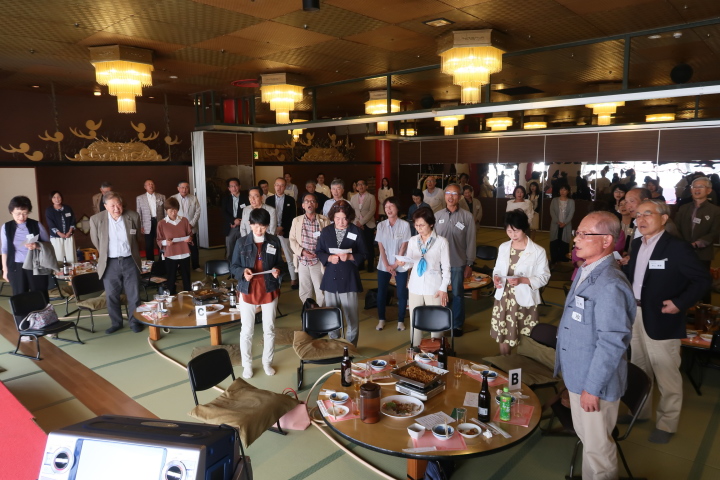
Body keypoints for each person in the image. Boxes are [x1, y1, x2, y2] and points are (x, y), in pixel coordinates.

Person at [555, 211, 635, 480]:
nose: (576, 239)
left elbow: (612, 343)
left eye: (584, 234)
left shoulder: (610, 283)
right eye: (577, 232)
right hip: (579, 375)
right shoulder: (587, 269)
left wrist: (592, 388)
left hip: (594, 384)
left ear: (606, 240)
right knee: (589, 443)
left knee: (598, 451)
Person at [624, 200, 711, 444]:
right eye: (638, 215)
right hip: (636, 314)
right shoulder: (637, 243)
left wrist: (680, 303)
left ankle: (666, 423)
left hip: (663, 317)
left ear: (663, 218)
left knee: (666, 372)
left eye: (647, 214)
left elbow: (702, 280)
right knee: (639, 367)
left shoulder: (677, 248)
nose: (641, 219)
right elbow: (640, 278)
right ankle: (639, 412)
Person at [230, 208, 282, 379]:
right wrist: (243, 272)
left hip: (269, 288)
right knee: (247, 331)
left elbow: (280, 263)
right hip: (248, 289)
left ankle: (267, 362)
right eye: (256, 226)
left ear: (268, 226)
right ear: (250, 224)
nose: (259, 230)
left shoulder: (274, 241)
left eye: (263, 227)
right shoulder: (241, 242)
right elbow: (233, 267)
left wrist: (277, 270)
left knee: (269, 329)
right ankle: (247, 365)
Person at [491, 210, 550, 355]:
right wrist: (496, 278)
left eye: (516, 231)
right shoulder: (504, 247)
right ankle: (504, 362)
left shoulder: (538, 251)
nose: (513, 235)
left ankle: (520, 364)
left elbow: (544, 277)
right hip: (504, 298)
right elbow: (497, 269)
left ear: (524, 228)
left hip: (524, 299)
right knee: (503, 334)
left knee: (525, 335)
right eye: (509, 231)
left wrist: (522, 280)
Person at [89, 192, 144, 334]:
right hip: (110, 263)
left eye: (118, 204)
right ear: (105, 206)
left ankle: (135, 322)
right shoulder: (96, 220)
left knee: (134, 294)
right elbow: (96, 241)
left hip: (130, 260)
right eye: (112, 205)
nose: (116, 208)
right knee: (111, 295)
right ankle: (116, 323)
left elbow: (137, 237)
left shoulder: (133, 216)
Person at [315, 200, 367, 346]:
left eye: (344, 219)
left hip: (349, 279)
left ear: (349, 217)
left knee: (352, 316)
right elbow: (319, 251)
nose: (341, 222)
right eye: (337, 218)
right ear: (333, 217)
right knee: (332, 315)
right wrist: (329, 258)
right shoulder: (326, 231)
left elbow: (364, 253)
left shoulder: (355, 231)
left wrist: (350, 256)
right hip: (331, 278)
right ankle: (334, 344)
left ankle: (351, 346)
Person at [397, 207, 451, 346]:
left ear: (431, 224)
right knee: (414, 322)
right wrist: (403, 263)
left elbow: (446, 268)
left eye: (422, 225)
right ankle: (414, 350)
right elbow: (410, 263)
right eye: (416, 225)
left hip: (434, 288)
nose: (418, 228)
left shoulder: (441, 242)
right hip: (415, 286)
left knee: (436, 323)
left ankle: (436, 351)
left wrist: (443, 288)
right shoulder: (413, 240)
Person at [434, 183, 476, 337]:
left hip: (458, 262)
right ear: (444, 195)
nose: (451, 196)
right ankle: (441, 321)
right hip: (439, 264)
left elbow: (471, 241)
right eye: (448, 193)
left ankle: (457, 324)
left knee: (458, 294)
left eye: (454, 193)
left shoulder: (467, 217)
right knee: (441, 293)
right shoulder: (437, 216)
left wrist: (469, 263)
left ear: (460, 197)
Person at [2, 196, 51, 302]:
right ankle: (23, 314)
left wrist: (37, 245)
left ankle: (42, 313)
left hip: (36, 265)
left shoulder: (36, 225)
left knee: (40, 295)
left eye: (25, 213)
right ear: (11, 212)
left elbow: (48, 245)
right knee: (20, 297)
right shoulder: (6, 227)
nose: (21, 217)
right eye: (18, 213)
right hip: (16, 267)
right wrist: (5, 270)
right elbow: (4, 249)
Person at [374, 197, 411, 331]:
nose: (388, 209)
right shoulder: (381, 225)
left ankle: (400, 320)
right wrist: (387, 266)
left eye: (391, 206)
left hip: (400, 264)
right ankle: (381, 319)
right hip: (383, 265)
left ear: (397, 208)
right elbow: (381, 247)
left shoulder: (405, 225)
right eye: (386, 207)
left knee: (401, 293)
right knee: (381, 292)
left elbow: (404, 246)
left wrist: (395, 265)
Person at [289, 193, 331, 306]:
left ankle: (321, 312)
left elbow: (328, 240)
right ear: (303, 205)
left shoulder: (324, 220)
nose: (310, 203)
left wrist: (320, 253)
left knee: (321, 290)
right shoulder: (296, 220)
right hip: (302, 260)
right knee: (304, 290)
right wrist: (302, 251)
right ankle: (308, 311)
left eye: (312, 201)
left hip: (318, 260)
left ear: (316, 205)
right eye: (307, 201)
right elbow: (292, 239)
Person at [674, 176, 720, 269]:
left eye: (701, 187)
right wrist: (682, 244)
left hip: (703, 254)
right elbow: (676, 228)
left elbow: (715, 232)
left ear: (708, 190)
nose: (697, 189)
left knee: (701, 277)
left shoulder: (715, 210)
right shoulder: (683, 208)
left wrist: (697, 244)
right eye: (694, 187)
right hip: (683, 252)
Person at [265, 177, 298, 288]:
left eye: (282, 185)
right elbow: (267, 217)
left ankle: (293, 279)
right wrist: (274, 229)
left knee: (289, 256)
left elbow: (292, 217)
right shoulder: (269, 200)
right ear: (274, 186)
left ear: (285, 187)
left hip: (285, 231)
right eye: (277, 185)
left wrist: (282, 228)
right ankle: (272, 277)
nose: (279, 187)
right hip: (271, 232)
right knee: (270, 255)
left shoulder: (290, 200)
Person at [155, 197, 192, 295]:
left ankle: (188, 296)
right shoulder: (162, 223)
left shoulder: (184, 220)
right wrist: (166, 242)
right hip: (171, 254)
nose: (173, 213)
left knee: (186, 278)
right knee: (171, 279)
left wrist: (189, 239)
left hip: (184, 253)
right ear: (166, 210)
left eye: (175, 210)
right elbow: (159, 240)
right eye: (170, 210)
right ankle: (171, 297)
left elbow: (190, 234)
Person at [171, 181, 202, 272]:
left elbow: (198, 212)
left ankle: (196, 266)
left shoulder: (193, 198)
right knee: (180, 247)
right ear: (178, 188)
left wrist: (191, 224)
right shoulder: (173, 198)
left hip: (191, 226)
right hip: (178, 227)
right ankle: (180, 266)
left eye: (186, 187)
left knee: (193, 247)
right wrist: (178, 225)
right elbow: (170, 213)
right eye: (182, 187)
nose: (184, 189)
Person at [349, 179, 377, 273]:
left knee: (369, 246)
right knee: (357, 246)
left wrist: (361, 222)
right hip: (356, 225)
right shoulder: (353, 198)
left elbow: (372, 211)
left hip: (368, 225)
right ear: (356, 187)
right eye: (358, 185)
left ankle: (370, 266)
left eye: (362, 184)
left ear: (366, 186)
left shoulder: (371, 197)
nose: (360, 186)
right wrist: (357, 222)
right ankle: (360, 265)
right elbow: (352, 211)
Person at [136, 179, 165, 262]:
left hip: (159, 222)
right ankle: (150, 263)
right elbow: (139, 213)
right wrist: (140, 226)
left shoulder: (161, 197)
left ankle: (162, 261)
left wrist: (166, 223)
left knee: (161, 242)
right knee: (149, 244)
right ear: (145, 187)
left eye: (152, 184)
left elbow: (165, 211)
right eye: (148, 184)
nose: (151, 185)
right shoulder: (140, 198)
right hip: (147, 224)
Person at [45, 191, 76, 265]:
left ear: (61, 198)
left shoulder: (67, 208)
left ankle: (72, 272)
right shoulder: (49, 210)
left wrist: (69, 232)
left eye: (58, 197)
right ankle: (59, 272)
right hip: (56, 238)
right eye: (54, 197)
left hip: (68, 236)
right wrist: (59, 233)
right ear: (51, 199)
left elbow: (73, 221)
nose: (57, 199)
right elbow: (51, 224)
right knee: (59, 257)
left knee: (71, 257)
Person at [222, 178, 248, 262]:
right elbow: (223, 212)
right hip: (231, 227)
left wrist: (240, 221)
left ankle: (243, 265)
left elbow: (248, 210)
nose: (234, 188)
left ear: (240, 186)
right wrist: (233, 220)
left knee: (243, 247)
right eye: (232, 186)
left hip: (243, 226)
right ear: (229, 188)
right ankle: (230, 266)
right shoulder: (225, 198)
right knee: (230, 249)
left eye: (236, 185)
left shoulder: (246, 198)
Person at [549, 185, 575, 265]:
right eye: (561, 189)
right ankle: (554, 259)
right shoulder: (554, 200)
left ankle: (563, 259)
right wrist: (557, 221)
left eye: (565, 190)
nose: (562, 191)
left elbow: (571, 213)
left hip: (566, 225)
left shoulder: (571, 201)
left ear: (568, 191)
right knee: (554, 241)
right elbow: (552, 211)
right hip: (555, 224)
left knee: (564, 242)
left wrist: (565, 223)